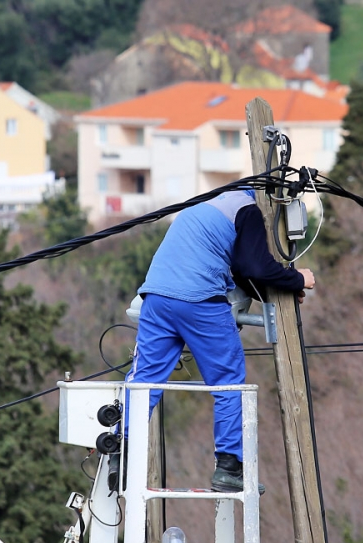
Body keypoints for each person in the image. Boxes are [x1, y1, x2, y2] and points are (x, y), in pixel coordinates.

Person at [127, 188, 315, 493]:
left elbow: (242, 270)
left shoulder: (207, 207)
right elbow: (256, 267)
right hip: (199, 300)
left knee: (143, 383)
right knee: (229, 383)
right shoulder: (250, 210)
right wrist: (297, 278)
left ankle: (119, 447)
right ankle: (229, 468)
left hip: (155, 297)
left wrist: (283, 290)